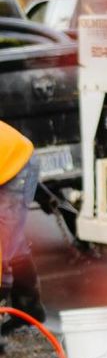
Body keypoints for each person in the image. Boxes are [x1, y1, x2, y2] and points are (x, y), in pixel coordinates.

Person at [0, 120, 46, 336]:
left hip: (18, 165)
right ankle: (29, 309)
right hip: (6, 161)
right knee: (13, 241)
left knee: (4, 243)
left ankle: (6, 309)